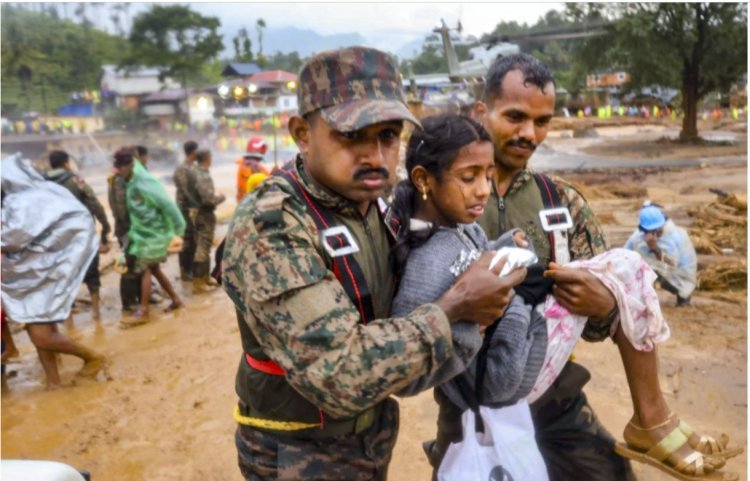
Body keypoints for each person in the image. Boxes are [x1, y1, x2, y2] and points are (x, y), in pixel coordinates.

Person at [222, 46, 526, 480]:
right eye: (351, 136)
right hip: (299, 452)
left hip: (369, 436)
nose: (376, 156)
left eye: (387, 136)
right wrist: (457, 306)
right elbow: (339, 375)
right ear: (301, 133)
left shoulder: (373, 200)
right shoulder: (273, 226)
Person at [390, 114, 738, 481]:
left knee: (622, 271)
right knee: (628, 265)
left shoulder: (548, 198)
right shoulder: (429, 256)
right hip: (499, 382)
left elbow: (478, 258)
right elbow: (418, 348)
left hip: (552, 394)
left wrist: (506, 251)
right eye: (470, 177)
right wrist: (515, 304)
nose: (482, 189)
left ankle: (655, 417)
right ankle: (652, 418)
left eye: (487, 176)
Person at [469, 54, 736, 480]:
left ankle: (651, 418)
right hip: (472, 413)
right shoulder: (441, 201)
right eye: (515, 117)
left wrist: (604, 306)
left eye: (542, 122)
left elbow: (599, 328)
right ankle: (652, 419)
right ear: (480, 112)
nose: (529, 134)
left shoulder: (562, 202)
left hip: (557, 407)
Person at [2, 154, 106, 388]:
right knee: (39, 328)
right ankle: (53, 381)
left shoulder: (22, 201)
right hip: (36, 272)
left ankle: (92, 357)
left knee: (41, 334)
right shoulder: (41, 192)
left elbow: (15, 237)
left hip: (41, 273)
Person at [118, 149, 185, 327]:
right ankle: (176, 299)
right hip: (144, 233)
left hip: (152, 234)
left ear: (128, 165)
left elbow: (166, 203)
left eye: (120, 168)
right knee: (154, 268)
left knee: (145, 269)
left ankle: (144, 311)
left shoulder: (142, 181)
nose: (118, 171)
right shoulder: (132, 180)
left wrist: (179, 227)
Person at [44, 150, 111, 321]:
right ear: (66, 164)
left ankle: (68, 315)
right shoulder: (76, 180)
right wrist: (105, 226)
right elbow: (94, 203)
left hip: (57, 237)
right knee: (91, 270)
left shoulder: (43, 184)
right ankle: (95, 312)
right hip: (82, 234)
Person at [625, 204, 697, 306]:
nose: (654, 234)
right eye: (650, 230)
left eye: (657, 230)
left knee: (652, 275)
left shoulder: (673, 236)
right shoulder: (638, 236)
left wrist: (655, 249)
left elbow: (672, 263)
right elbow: (626, 252)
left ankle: (683, 296)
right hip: (657, 268)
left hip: (680, 274)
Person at [186, 149, 225, 292]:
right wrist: (221, 198)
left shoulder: (193, 171)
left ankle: (205, 278)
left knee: (203, 246)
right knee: (203, 247)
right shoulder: (202, 175)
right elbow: (208, 199)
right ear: (207, 158)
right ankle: (199, 282)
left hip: (195, 212)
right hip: (204, 213)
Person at [108, 149, 141, 311]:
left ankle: (137, 298)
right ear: (125, 166)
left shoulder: (117, 178)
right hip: (127, 230)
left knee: (135, 263)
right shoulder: (119, 181)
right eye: (131, 165)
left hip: (127, 229)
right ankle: (129, 303)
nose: (133, 168)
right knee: (129, 264)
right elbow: (122, 211)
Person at [174, 141, 200, 281]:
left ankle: (192, 269)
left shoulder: (194, 167)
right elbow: (185, 190)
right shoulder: (182, 169)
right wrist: (196, 203)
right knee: (186, 240)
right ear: (193, 152)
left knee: (194, 239)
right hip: (184, 208)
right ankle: (185, 271)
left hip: (194, 208)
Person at [236, 136, 270, 202]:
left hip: (244, 203)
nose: (264, 151)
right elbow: (265, 184)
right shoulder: (253, 166)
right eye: (262, 149)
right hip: (252, 204)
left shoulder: (245, 163)